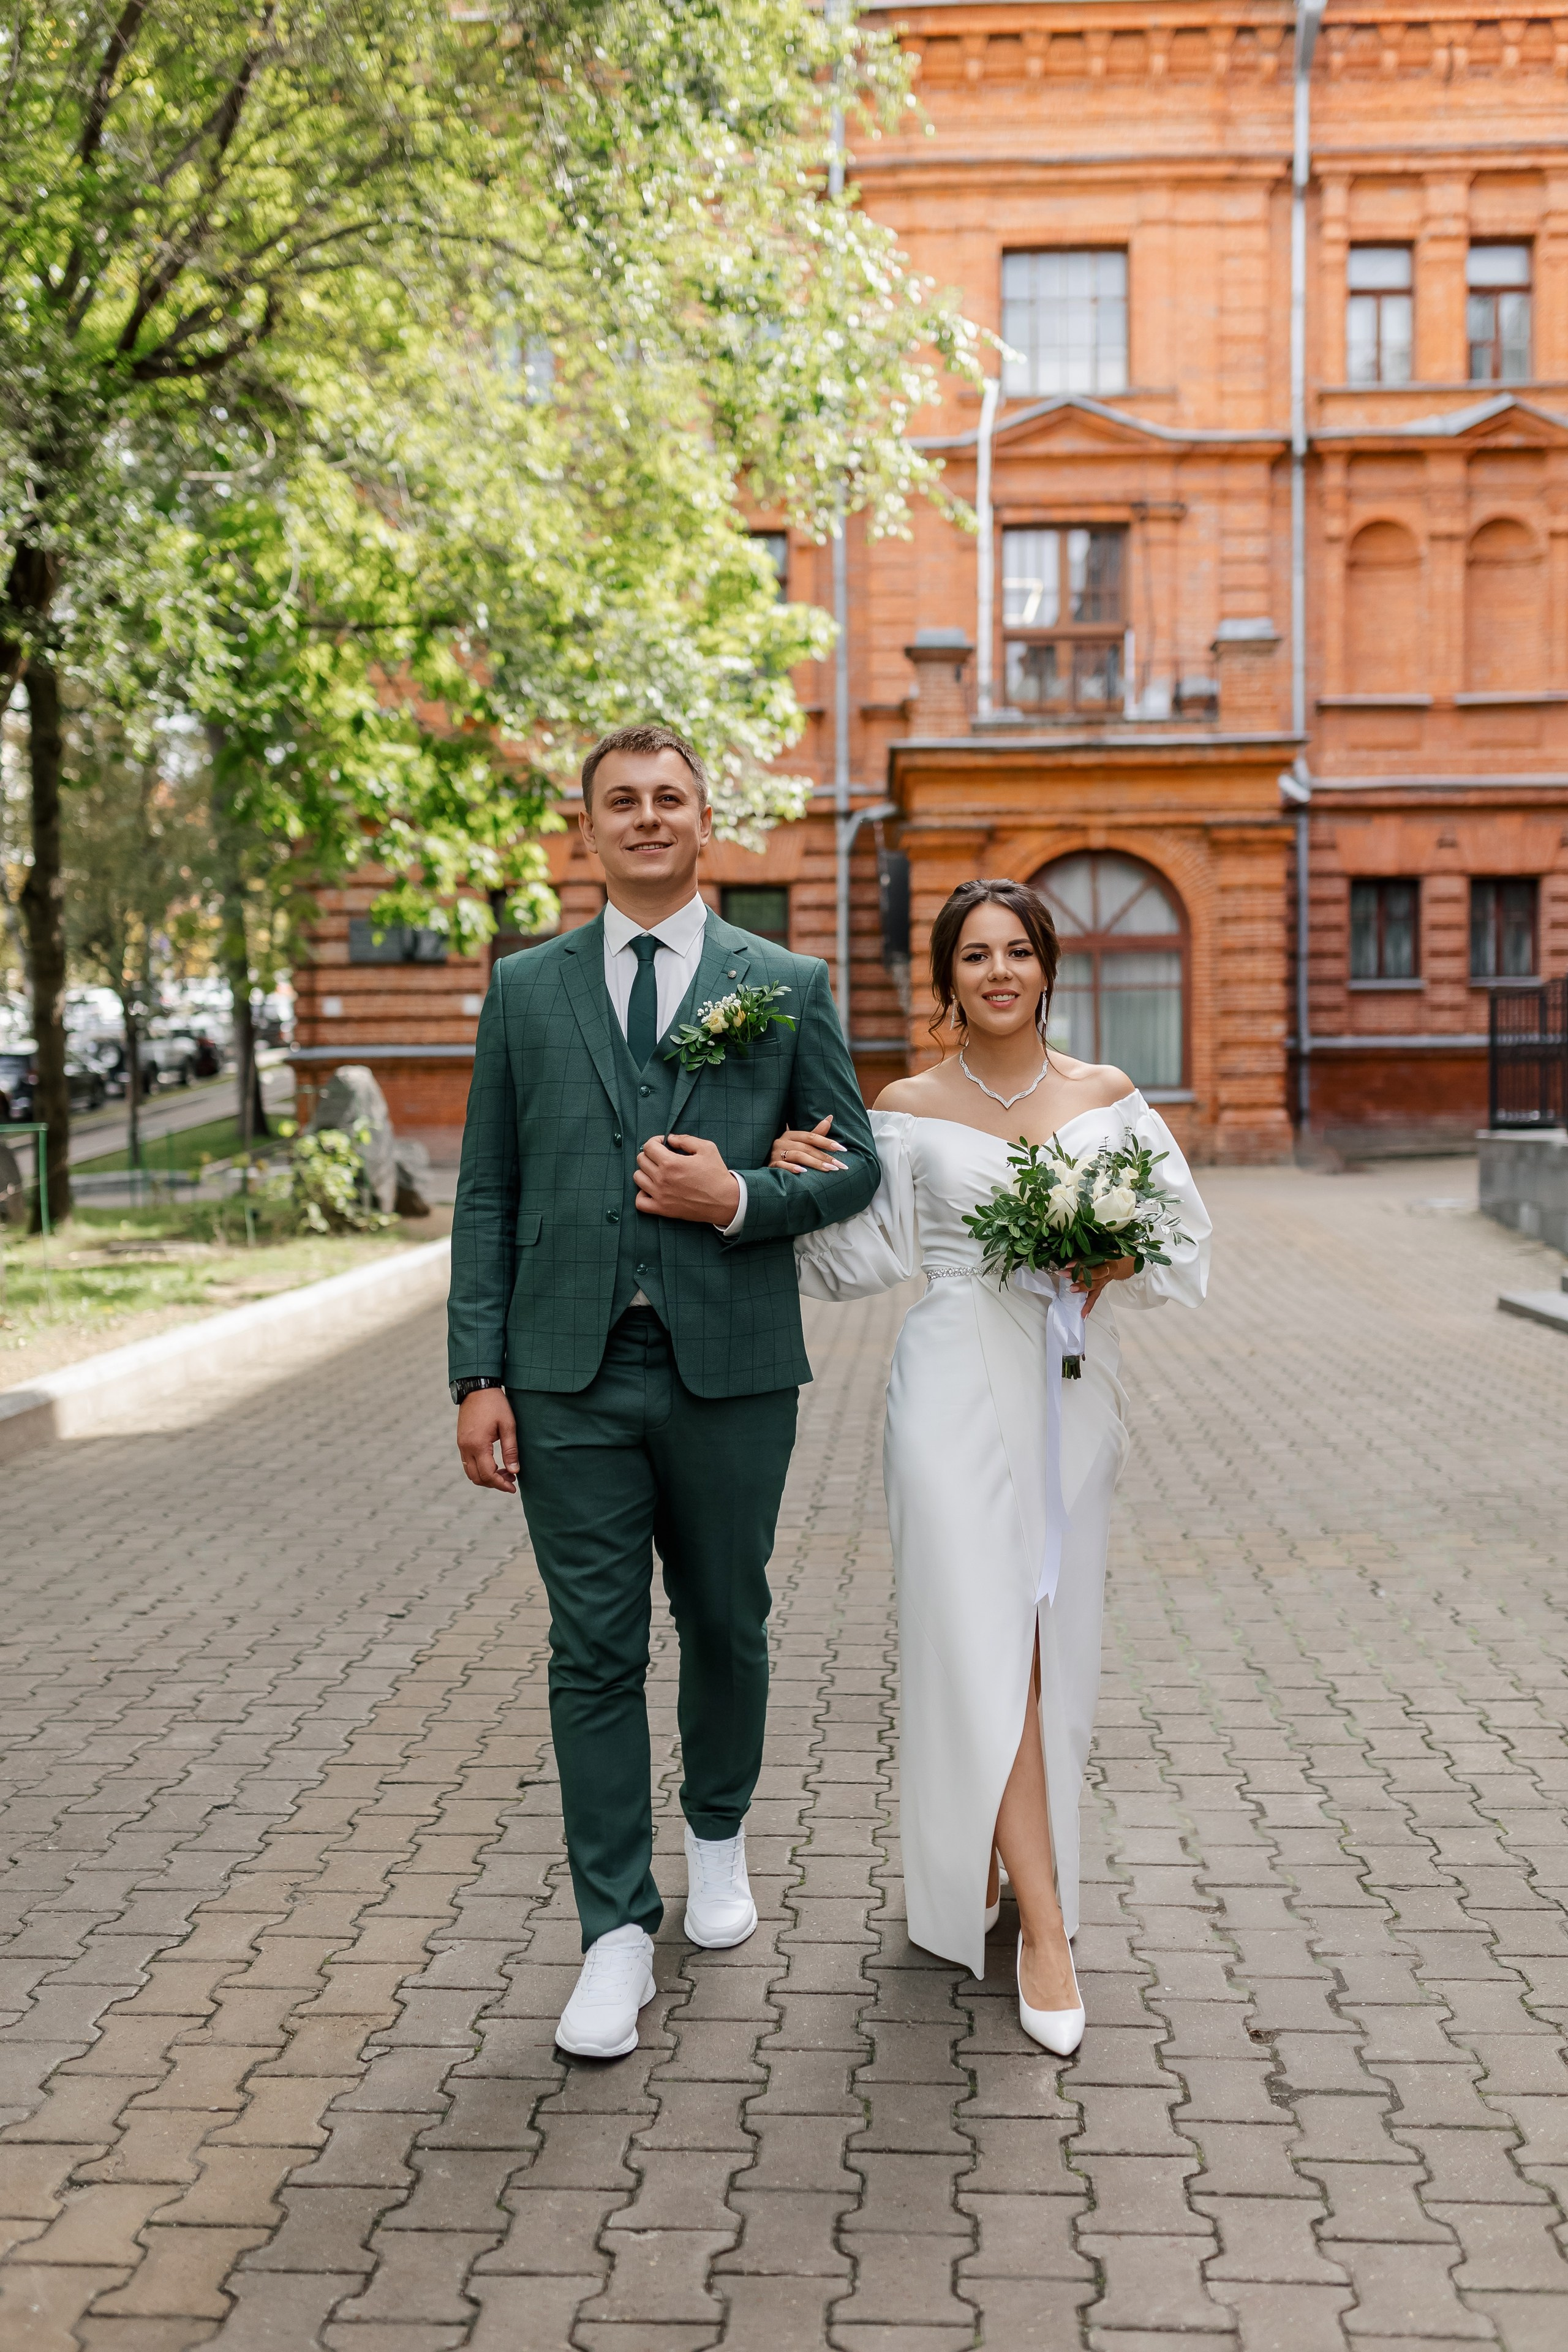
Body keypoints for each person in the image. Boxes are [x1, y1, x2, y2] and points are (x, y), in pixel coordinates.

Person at [447, 722, 879, 2059]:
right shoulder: (524, 989)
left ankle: (719, 1834)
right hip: (563, 1368)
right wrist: (477, 1373)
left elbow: (857, 1164)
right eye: (621, 801)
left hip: (730, 1365)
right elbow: (487, 1190)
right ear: (586, 830)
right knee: (591, 1649)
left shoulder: (784, 981)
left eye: (669, 798)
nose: (646, 817)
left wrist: (739, 1195)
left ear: (705, 821)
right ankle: (614, 1935)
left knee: (726, 1621)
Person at [772, 877, 1210, 2055]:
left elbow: (1181, 1238)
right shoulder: (907, 1106)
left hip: (1071, 1385)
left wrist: (1114, 1258)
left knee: (1049, 1638)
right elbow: (861, 1260)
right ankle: (1048, 1929)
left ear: (1048, 969)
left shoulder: (1107, 1097)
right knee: (979, 1635)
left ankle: (986, 1851)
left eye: (1018, 951)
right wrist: (794, 1181)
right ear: (948, 980)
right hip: (951, 1380)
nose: (999, 971)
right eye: (975, 955)